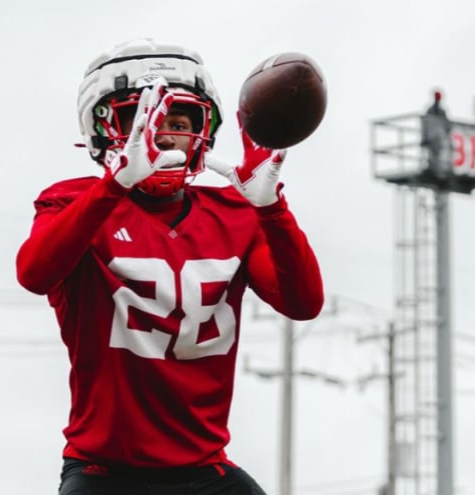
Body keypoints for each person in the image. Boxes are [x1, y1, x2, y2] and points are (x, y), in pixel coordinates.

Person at [16, 38, 324, 495]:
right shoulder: (74, 202)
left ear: (203, 129)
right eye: (142, 118)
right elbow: (34, 273)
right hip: (105, 471)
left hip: (205, 470)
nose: (162, 134)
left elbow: (304, 304)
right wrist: (113, 186)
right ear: (103, 129)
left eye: (178, 120)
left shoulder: (237, 212)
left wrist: (273, 211)